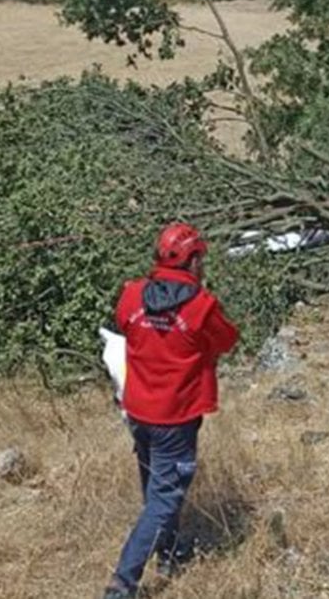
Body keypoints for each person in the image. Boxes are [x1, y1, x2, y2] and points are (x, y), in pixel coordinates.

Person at [103, 223, 239, 599]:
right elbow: (227, 340)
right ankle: (122, 584)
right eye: (201, 259)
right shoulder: (201, 307)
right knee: (164, 498)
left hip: (138, 412)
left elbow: (124, 326)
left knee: (156, 490)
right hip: (176, 418)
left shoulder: (132, 296)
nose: (203, 266)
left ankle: (170, 554)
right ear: (192, 260)